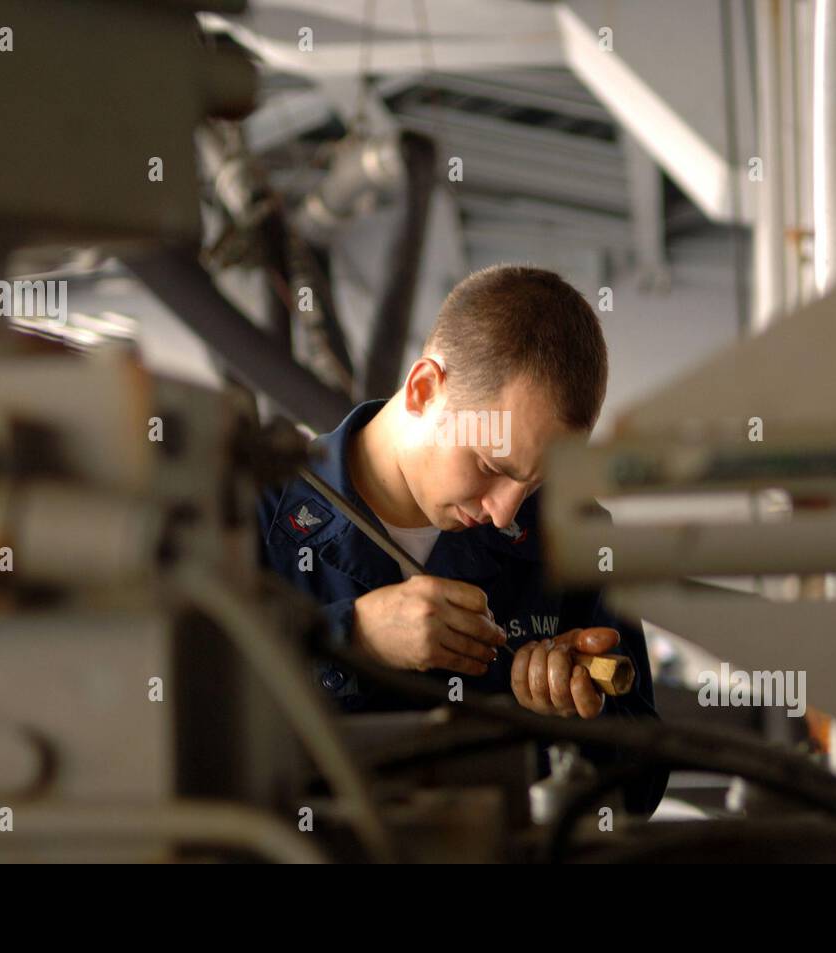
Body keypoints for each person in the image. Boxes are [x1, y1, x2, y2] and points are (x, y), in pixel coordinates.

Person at [257, 264, 664, 815]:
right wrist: (351, 638)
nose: (503, 512)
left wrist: (575, 720)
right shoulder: (252, 512)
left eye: (535, 481)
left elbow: (643, 785)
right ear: (425, 389)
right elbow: (173, 729)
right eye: (490, 464)